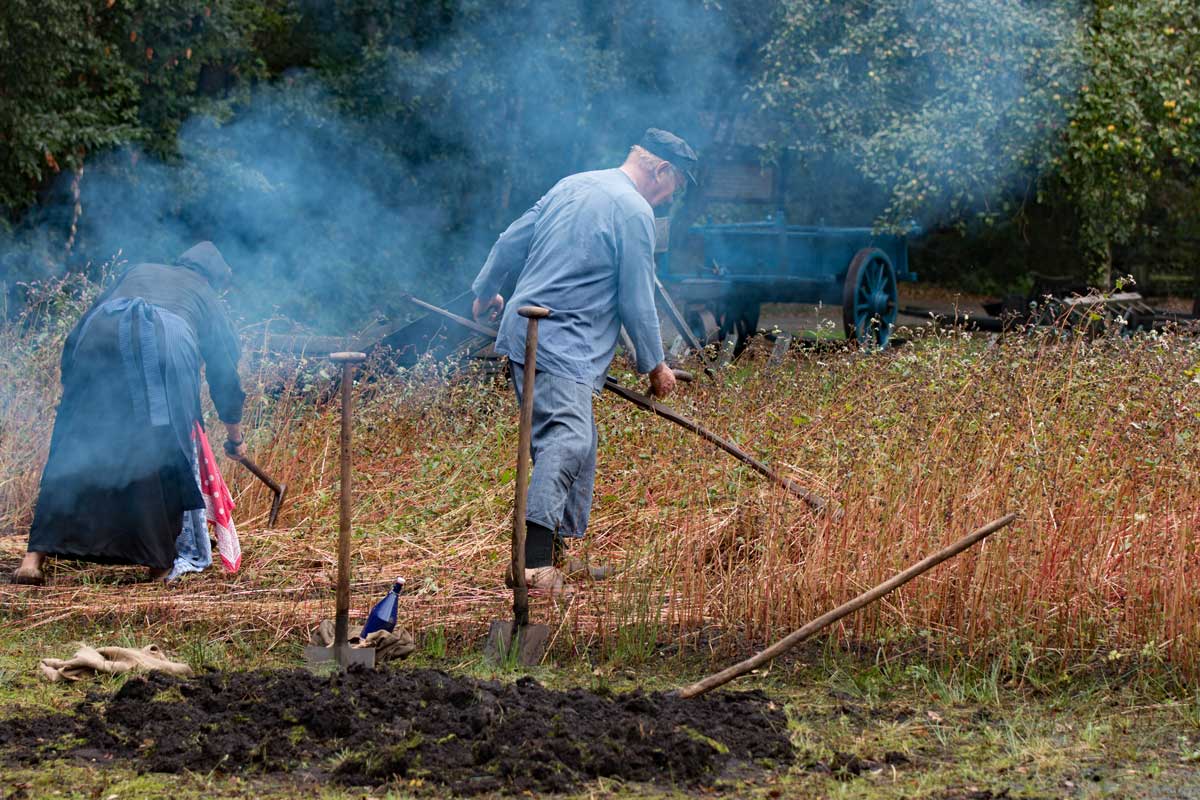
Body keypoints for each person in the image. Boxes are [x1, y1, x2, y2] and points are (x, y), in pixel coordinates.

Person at [471, 128, 698, 593]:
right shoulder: (635, 211)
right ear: (661, 169)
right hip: (561, 342)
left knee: (578, 443)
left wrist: (486, 289)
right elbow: (637, 298)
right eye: (675, 186)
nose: (670, 197)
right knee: (568, 441)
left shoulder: (574, 184)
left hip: (530, 334)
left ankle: (554, 553)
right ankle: (533, 565)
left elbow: (512, 239)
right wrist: (656, 367)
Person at [10, 242, 247, 585]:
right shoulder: (207, 295)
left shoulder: (138, 271)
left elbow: (78, 332)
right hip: (163, 344)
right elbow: (224, 374)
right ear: (216, 279)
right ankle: (158, 566)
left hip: (100, 337)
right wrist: (234, 437)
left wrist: (74, 398)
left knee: (74, 447)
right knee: (162, 451)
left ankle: (33, 560)